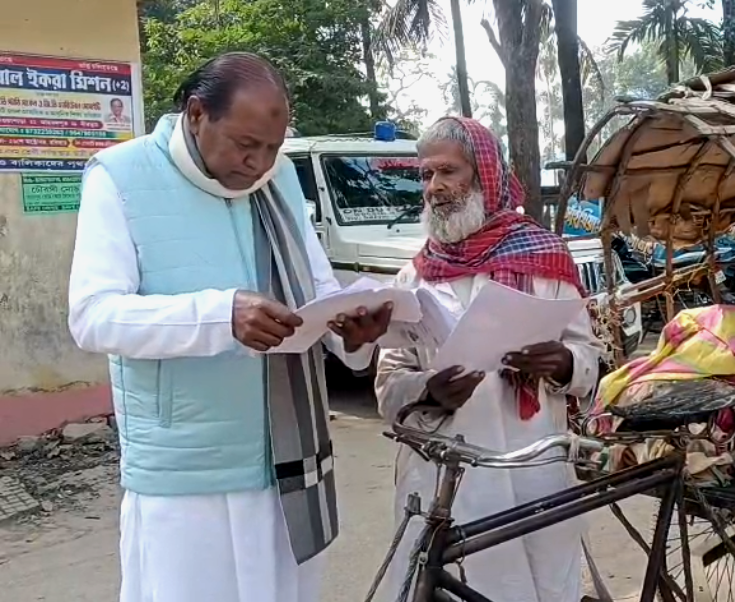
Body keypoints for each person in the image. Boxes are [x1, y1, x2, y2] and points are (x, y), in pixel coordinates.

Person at [68, 52, 393, 602]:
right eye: (247, 145)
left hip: (286, 461)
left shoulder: (281, 177)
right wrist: (221, 315)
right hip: (187, 474)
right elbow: (93, 316)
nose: (260, 163)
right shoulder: (119, 176)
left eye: (272, 147)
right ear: (197, 114)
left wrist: (348, 335)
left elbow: (317, 291)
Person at [375, 116, 603, 602]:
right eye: (425, 175)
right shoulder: (413, 277)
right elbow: (388, 382)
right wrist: (426, 391)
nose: (434, 187)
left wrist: (561, 363)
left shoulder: (544, 257)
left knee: (540, 588)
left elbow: (591, 362)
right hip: (442, 480)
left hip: (531, 471)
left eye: (447, 172)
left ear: (484, 175)